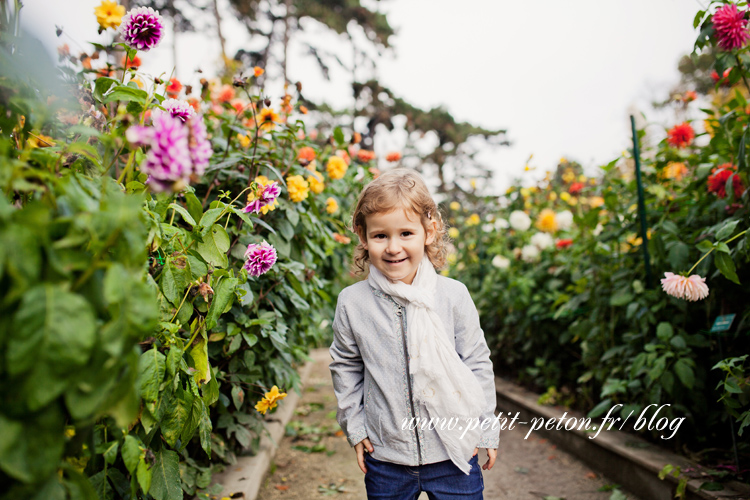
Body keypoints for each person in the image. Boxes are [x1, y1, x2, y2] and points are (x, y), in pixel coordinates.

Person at [329, 168, 498, 500]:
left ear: (429, 231)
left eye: (406, 233)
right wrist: (356, 426)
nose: (393, 247)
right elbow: (346, 367)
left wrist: (487, 427)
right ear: (363, 236)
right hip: (387, 458)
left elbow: (476, 362)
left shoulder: (452, 295)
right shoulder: (353, 303)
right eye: (380, 236)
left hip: (453, 455)